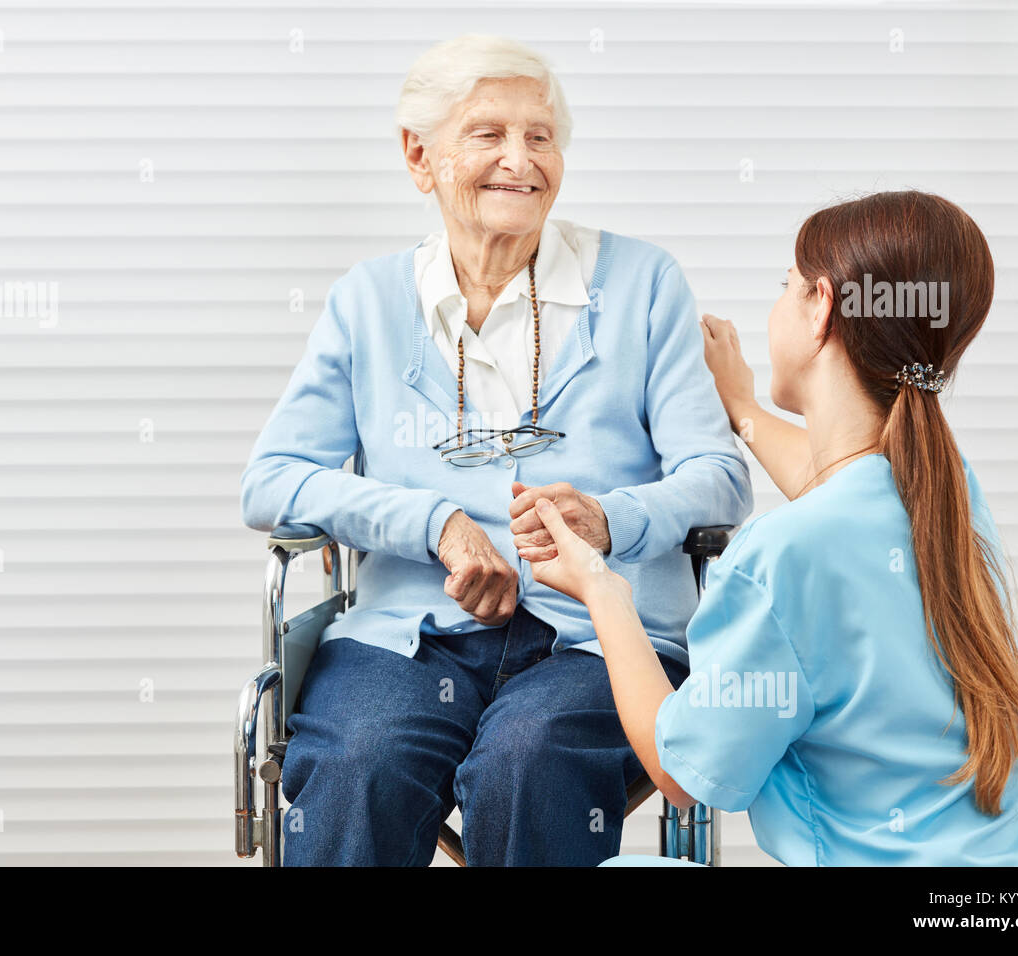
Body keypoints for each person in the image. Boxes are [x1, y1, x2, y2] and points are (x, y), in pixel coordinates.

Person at [239, 34, 751, 866]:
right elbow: (270, 481)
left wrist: (611, 520)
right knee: (360, 762)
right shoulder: (368, 302)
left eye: (541, 136)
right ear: (420, 155)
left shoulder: (644, 284)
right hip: (408, 636)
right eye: (488, 134)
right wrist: (433, 521)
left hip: (593, 639)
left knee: (529, 760)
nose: (522, 160)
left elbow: (719, 478)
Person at [520, 190, 1018, 866]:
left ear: (821, 308)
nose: (777, 305)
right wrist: (742, 407)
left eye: (784, 287)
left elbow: (681, 771)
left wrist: (602, 588)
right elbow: (837, 485)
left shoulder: (780, 557)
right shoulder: (945, 490)